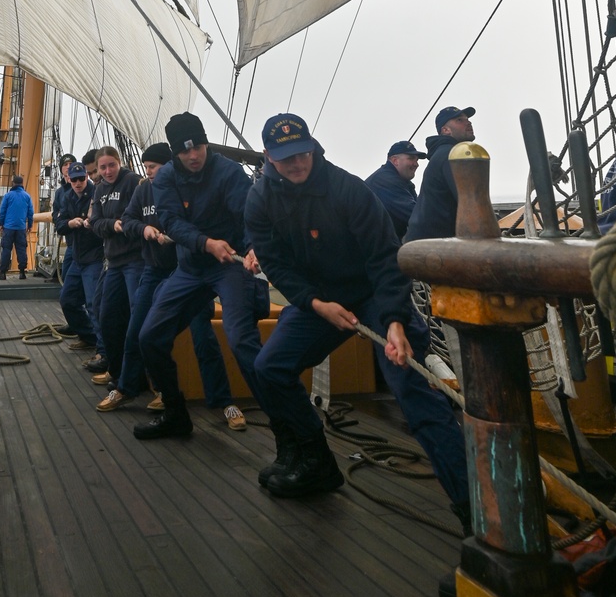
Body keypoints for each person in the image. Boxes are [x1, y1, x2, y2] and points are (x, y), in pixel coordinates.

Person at [245, 112, 469, 523]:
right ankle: (314, 463)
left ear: (312, 146)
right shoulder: (260, 200)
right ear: (268, 157)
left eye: (301, 153)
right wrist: (315, 305)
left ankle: (477, 516)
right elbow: (277, 266)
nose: (295, 164)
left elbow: (386, 259)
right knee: (269, 368)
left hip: (376, 299)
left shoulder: (348, 190)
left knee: (414, 391)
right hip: (320, 301)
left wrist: (397, 321)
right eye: (284, 157)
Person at [97, 142, 246, 430]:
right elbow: (128, 220)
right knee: (138, 331)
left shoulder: (184, 188)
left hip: (185, 270)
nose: (149, 173)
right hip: (153, 271)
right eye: (147, 167)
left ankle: (224, 401)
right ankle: (132, 388)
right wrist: (144, 228)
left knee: (204, 337)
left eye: (154, 167)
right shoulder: (143, 190)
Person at [134, 112, 263, 441]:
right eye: (185, 151)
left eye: (199, 148)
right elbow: (172, 223)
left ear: (206, 143)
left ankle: (291, 433)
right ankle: (176, 414)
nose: (193, 156)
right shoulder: (164, 179)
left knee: (241, 341)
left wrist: (253, 248)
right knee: (150, 337)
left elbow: (249, 215)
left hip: (229, 267)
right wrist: (206, 243)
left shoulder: (229, 172)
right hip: (191, 268)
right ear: (176, 153)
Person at [89, 147, 142, 386]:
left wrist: (115, 225)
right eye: (103, 167)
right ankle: (117, 369)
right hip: (113, 262)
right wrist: (114, 225)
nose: (108, 171)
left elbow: (136, 217)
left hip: (134, 261)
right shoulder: (100, 189)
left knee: (135, 317)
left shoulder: (132, 182)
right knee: (106, 315)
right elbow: (96, 223)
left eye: (112, 165)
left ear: (120, 163)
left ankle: (136, 376)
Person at [404, 106, 476, 242]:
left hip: (427, 240)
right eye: (460, 120)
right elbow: (470, 202)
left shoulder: (445, 153)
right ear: (445, 130)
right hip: (432, 246)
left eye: (468, 120)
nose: (468, 123)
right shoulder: (451, 155)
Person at [54, 163, 105, 349]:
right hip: (77, 257)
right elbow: (59, 223)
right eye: (73, 179)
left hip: (94, 257)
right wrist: (70, 223)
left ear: (87, 177)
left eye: (81, 178)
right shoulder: (67, 197)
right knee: (67, 300)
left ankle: (103, 351)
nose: (77, 183)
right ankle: (89, 337)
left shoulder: (97, 194)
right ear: (69, 179)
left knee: (94, 304)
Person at [364, 140, 427, 241]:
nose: (416, 164)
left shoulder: (403, 182)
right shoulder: (385, 181)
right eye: (411, 159)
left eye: (417, 160)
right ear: (395, 161)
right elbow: (414, 216)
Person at [0, 174, 33, 279]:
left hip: (8, 227)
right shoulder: (27, 196)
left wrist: (1, 224)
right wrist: (29, 225)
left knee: (6, 249)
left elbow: (2, 211)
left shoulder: (8, 196)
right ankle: (22, 272)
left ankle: (2, 273)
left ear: (13, 183)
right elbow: (30, 212)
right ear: (22, 183)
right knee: (21, 249)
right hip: (21, 227)